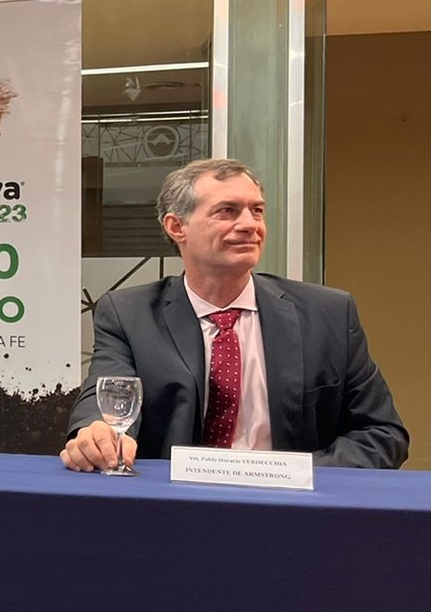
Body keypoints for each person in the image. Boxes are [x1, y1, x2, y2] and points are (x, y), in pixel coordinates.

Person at [63, 158, 407, 471]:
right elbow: (106, 399)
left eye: (257, 211)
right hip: (175, 505)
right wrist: (98, 433)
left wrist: (292, 475)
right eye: (227, 211)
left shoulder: (327, 315)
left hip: (292, 507)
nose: (249, 225)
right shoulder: (129, 314)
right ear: (176, 227)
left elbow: (381, 434)